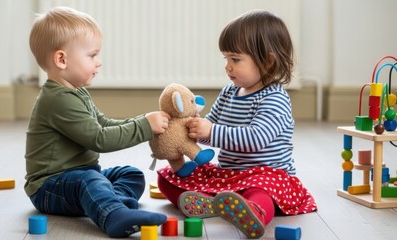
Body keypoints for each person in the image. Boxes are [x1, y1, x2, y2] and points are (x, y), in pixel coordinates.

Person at [157, 10, 317, 239]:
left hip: (268, 175)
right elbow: (210, 126)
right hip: (229, 174)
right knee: (167, 177)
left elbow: (255, 138)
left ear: (267, 61)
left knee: (261, 192)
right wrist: (191, 129)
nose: (227, 67)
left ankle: (254, 211)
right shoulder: (229, 91)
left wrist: (211, 131)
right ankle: (215, 204)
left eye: (235, 59)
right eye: (226, 59)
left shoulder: (275, 98)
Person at [25, 7, 170, 238]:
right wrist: (144, 127)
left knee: (131, 174)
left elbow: (102, 123)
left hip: (81, 176)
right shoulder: (59, 99)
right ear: (61, 59)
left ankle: (110, 202)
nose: (98, 62)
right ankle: (113, 215)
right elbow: (99, 139)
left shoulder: (76, 92)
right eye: (92, 55)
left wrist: (142, 121)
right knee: (90, 180)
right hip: (49, 187)